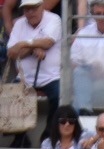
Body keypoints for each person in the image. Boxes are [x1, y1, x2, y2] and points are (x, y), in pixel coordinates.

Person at [6, 0, 62, 135]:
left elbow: (48, 42)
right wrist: (33, 49)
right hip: (25, 78)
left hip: (51, 77)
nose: (30, 13)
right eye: (27, 9)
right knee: (12, 97)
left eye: (34, 8)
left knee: (60, 97)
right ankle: (19, 138)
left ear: (42, 6)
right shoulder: (19, 24)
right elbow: (12, 53)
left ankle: (49, 134)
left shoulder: (54, 19)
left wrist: (23, 44)